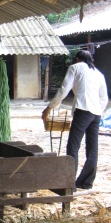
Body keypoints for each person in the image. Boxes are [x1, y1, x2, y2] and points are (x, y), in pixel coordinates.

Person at [42, 50, 108, 190]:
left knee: (73, 146)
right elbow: (104, 97)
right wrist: (98, 111)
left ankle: (69, 184)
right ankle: (86, 182)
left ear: (77, 59)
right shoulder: (98, 73)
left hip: (83, 111)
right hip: (96, 113)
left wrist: (49, 108)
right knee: (92, 149)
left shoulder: (75, 67)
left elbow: (63, 89)